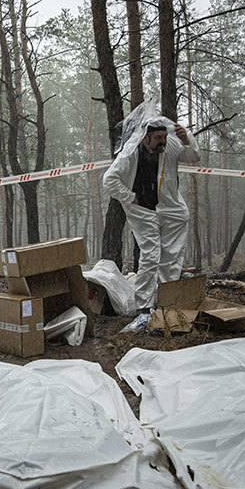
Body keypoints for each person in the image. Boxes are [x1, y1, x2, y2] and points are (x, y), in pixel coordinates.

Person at [102, 104, 199, 330]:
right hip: (142, 210)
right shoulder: (130, 153)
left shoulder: (170, 146)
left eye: (164, 136)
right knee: (151, 255)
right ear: (145, 137)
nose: (162, 141)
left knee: (171, 257)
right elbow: (109, 180)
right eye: (157, 138)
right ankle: (144, 308)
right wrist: (130, 197)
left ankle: (166, 305)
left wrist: (187, 140)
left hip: (169, 207)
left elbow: (193, 156)